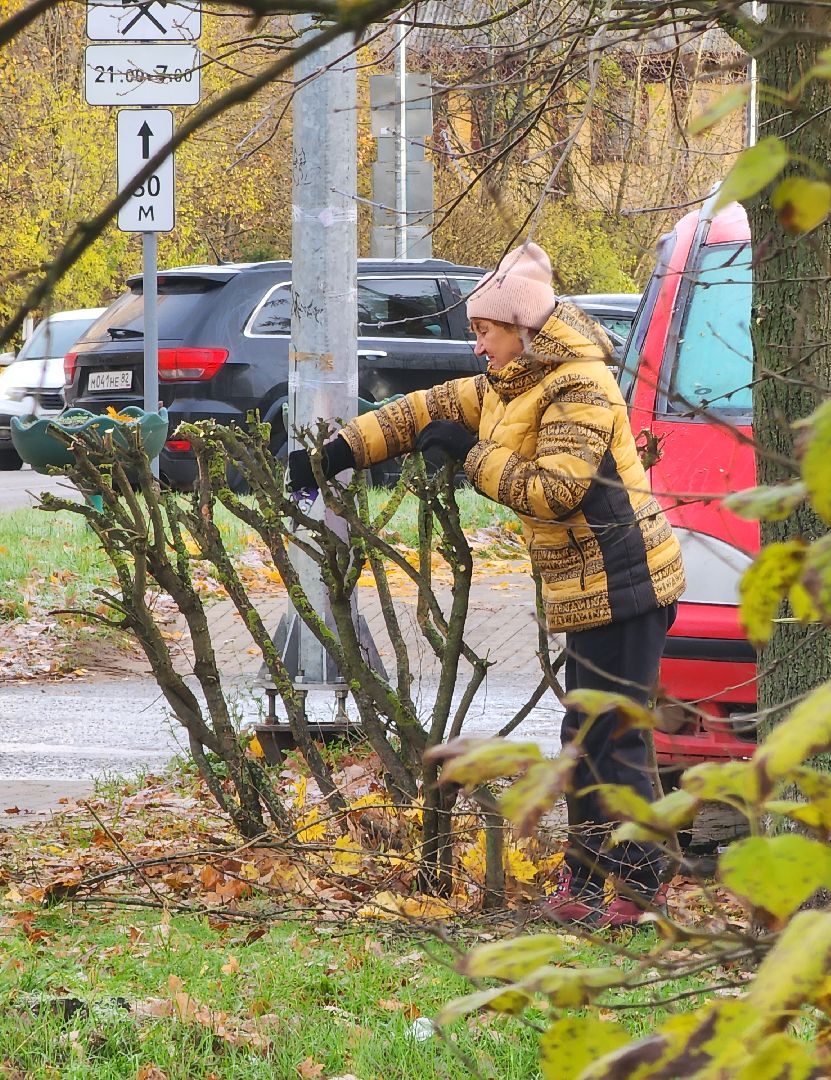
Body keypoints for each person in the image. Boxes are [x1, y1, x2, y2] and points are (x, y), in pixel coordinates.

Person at [288, 243, 685, 929]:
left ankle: (640, 881)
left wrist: (469, 454)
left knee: (609, 737)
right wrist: (340, 451)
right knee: (587, 732)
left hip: (629, 581)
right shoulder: (512, 383)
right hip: (586, 587)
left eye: (485, 332)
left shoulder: (578, 386)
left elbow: (557, 491)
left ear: (523, 329)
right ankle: (589, 883)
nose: (477, 349)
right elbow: (418, 412)